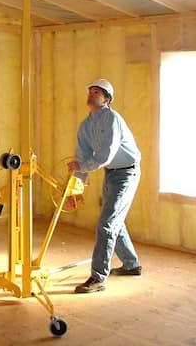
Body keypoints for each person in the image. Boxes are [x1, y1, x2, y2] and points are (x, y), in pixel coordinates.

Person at [66, 79, 142, 294]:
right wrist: (76, 189)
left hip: (127, 173)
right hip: (111, 174)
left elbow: (105, 155)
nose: (91, 94)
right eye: (90, 91)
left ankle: (98, 277)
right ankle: (131, 265)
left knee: (107, 224)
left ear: (106, 99)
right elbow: (82, 158)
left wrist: (81, 166)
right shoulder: (86, 126)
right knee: (114, 220)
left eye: (96, 92)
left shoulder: (113, 119)